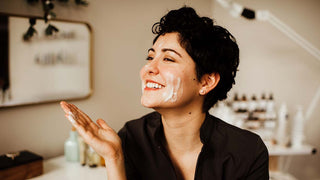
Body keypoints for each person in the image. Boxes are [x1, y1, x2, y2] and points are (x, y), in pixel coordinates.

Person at [60, 6, 269, 180]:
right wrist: (114, 157)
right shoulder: (131, 137)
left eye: (168, 59)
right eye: (150, 57)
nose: (148, 68)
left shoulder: (248, 152)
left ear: (206, 81)